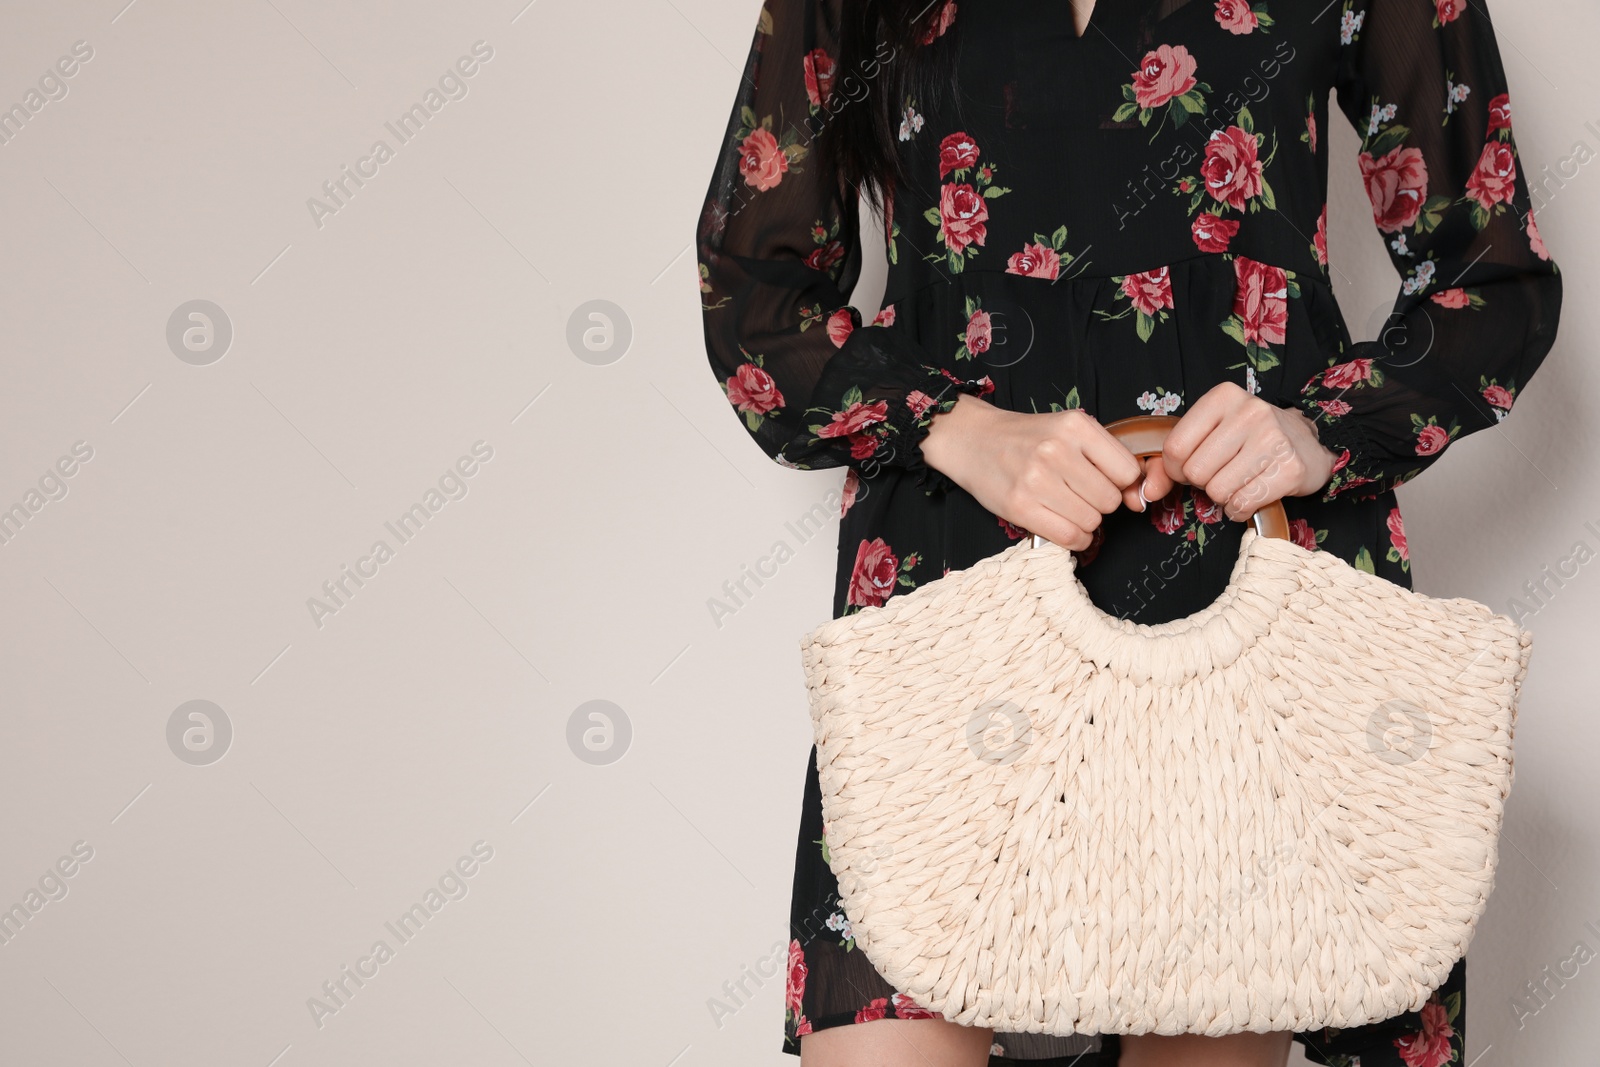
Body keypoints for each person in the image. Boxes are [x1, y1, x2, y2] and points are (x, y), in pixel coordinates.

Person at [693, 0, 1561, 1064]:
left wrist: (1320, 429)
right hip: (954, 598)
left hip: (1239, 599)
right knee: (888, 994)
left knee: (1216, 990)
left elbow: (1492, 279)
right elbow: (752, 290)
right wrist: (958, 428)